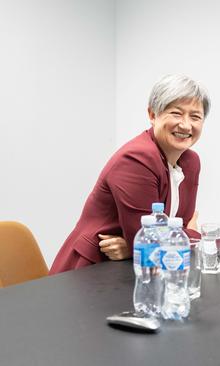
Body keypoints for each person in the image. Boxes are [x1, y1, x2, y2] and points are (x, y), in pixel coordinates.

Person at [50, 74, 210, 274]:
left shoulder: (191, 161)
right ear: (153, 115)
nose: (186, 125)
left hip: (136, 269)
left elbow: (162, 235)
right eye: (176, 113)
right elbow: (149, 241)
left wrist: (133, 247)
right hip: (92, 271)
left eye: (195, 117)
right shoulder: (137, 159)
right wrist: (192, 233)